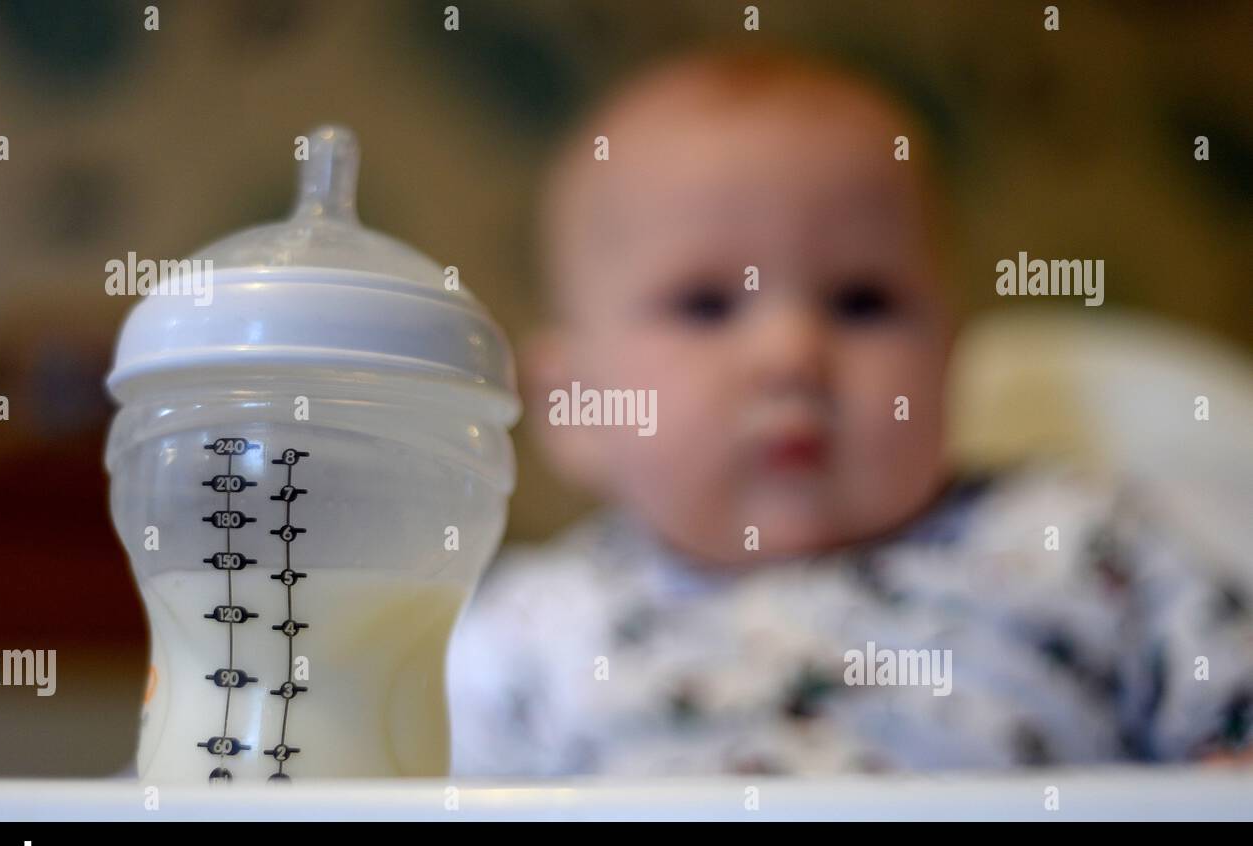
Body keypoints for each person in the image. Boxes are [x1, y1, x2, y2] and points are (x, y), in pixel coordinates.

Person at [446, 51, 1253, 776]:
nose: (792, 352)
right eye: (706, 304)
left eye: (863, 301)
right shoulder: (522, 640)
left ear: (949, 362)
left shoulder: (1089, 545)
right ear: (577, 406)